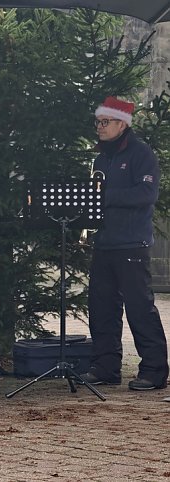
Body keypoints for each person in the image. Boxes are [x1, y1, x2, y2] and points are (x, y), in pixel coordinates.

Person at [81, 97, 168, 391]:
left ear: (122, 123)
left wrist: (104, 198)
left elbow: (146, 194)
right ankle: (105, 366)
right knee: (101, 307)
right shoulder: (100, 158)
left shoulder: (141, 154)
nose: (100, 127)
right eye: (98, 122)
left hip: (131, 242)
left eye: (105, 122)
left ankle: (155, 370)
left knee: (139, 308)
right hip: (105, 242)